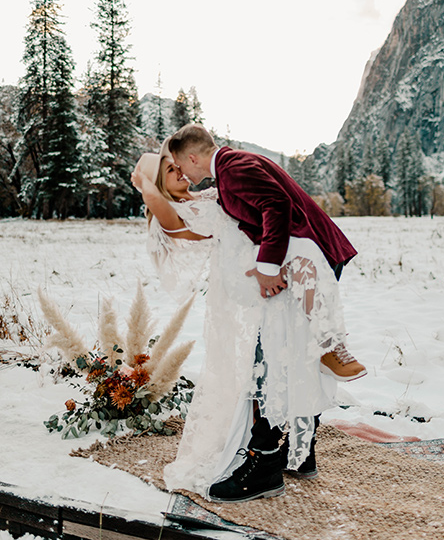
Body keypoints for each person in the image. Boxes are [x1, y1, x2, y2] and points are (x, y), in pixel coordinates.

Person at [133, 129, 366, 503]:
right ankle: (299, 454)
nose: (181, 173)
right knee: (286, 360)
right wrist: (148, 186)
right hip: (282, 277)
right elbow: (172, 220)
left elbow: (276, 206)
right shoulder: (210, 192)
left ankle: (268, 462)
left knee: (276, 362)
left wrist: (269, 265)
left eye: (179, 165)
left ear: (192, 158)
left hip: (291, 270)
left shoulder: (227, 176)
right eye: (170, 171)